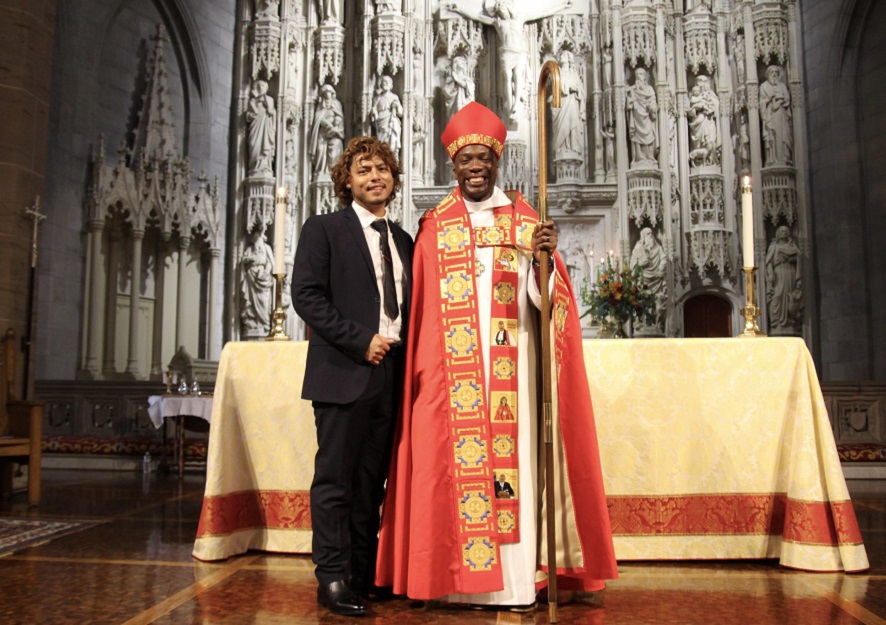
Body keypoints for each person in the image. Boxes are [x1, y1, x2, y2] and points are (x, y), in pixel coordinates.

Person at [376, 101, 617, 610]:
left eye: (485, 158)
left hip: (514, 373)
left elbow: (549, 306)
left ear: (497, 162)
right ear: (454, 166)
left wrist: (544, 264)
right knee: (449, 470)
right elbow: (420, 313)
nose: (476, 167)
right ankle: (451, 580)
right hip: (454, 379)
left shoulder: (527, 220)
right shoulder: (434, 226)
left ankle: (512, 581)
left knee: (516, 471)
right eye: (467, 161)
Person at [292, 136, 413, 617]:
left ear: (394, 178)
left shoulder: (403, 239)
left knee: (372, 482)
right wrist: (359, 339)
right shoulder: (324, 229)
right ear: (347, 181)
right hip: (344, 370)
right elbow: (307, 295)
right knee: (335, 480)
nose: (374, 177)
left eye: (382, 168)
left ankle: (362, 573)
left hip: (390, 377)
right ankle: (333, 578)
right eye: (363, 170)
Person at [446, 0, 572, 120]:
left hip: (519, 52)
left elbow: (543, 13)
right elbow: (478, 17)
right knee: (507, 76)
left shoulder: (520, 18)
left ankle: (516, 105)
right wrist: (459, 9)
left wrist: (562, 6)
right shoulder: (498, 22)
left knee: (518, 77)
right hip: (506, 52)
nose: (500, 11)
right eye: (498, 9)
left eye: (501, 8)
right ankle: (510, 104)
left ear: (507, 7)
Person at [764, 225, 801, 330]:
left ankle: (790, 320)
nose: (783, 232)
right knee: (777, 296)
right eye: (781, 231)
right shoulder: (773, 246)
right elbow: (768, 263)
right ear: (778, 233)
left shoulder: (792, 245)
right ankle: (776, 321)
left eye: (785, 231)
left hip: (790, 272)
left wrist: (791, 259)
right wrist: (770, 274)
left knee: (790, 296)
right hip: (778, 273)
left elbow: (799, 257)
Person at [239, 227, 275, 333]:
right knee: (250, 301)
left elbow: (271, 263)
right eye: (255, 237)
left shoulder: (267, 248)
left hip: (263, 278)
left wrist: (266, 272)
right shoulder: (250, 249)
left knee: (264, 301)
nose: (257, 239)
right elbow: (244, 259)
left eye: (259, 237)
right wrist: (250, 259)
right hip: (251, 275)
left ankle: (264, 323)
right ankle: (252, 323)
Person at [760, 65, 793, 166]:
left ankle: (784, 157)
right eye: (772, 72)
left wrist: (779, 102)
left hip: (782, 116)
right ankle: (771, 159)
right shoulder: (763, 87)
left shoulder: (782, 86)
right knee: (771, 137)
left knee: (783, 136)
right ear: (768, 75)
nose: (774, 74)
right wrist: (769, 101)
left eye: (776, 72)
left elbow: (787, 99)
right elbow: (761, 103)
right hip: (770, 117)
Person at [310, 84, 345, 179]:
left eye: (329, 92)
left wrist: (335, 127)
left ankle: (334, 174)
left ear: (332, 93)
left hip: (334, 133)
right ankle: (320, 171)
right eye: (325, 92)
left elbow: (340, 118)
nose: (327, 94)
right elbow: (318, 118)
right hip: (322, 132)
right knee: (320, 150)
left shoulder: (337, 104)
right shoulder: (321, 106)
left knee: (335, 149)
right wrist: (327, 124)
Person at [626, 68, 657, 165]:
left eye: (641, 74)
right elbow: (628, 105)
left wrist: (651, 107)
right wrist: (630, 101)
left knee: (650, 135)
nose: (639, 76)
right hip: (636, 117)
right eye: (637, 74)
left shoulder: (650, 89)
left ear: (645, 77)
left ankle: (649, 157)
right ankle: (639, 158)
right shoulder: (632, 90)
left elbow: (653, 102)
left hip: (647, 117)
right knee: (636, 137)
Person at [245, 80, 276, 175]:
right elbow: (248, 115)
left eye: (263, 86)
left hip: (266, 128)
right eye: (259, 86)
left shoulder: (270, 100)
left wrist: (271, 110)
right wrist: (250, 116)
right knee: (254, 144)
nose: (261, 88)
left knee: (265, 146)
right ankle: (255, 167)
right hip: (256, 127)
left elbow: (272, 112)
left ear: (266, 88)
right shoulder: (252, 101)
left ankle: (265, 166)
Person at [370, 75, 403, 155]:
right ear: (381, 84)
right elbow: (373, 113)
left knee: (391, 144)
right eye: (383, 81)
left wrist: (397, 106)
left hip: (390, 123)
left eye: (387, 81)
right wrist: (373, 112)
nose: (385, 83)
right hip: (380, 124)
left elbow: (401, 113)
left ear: (391, 85)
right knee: (381, 145)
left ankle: (392, 158)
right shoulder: (377, 98)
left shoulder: (394, 97)